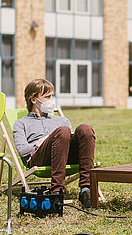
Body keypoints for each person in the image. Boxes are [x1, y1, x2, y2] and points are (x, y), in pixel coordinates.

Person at [13, 78, 95, 208]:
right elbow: (22, 151)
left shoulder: (62, 120)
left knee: (85, 129)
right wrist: (38, 143)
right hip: (40, 157)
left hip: (64, 155)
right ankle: (57, 190)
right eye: (47, 97)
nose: (52, 100)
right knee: (62, 132)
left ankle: (86, 189)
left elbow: (73, 141)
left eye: (52, 96)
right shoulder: (21, 123)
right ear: (34, 99)